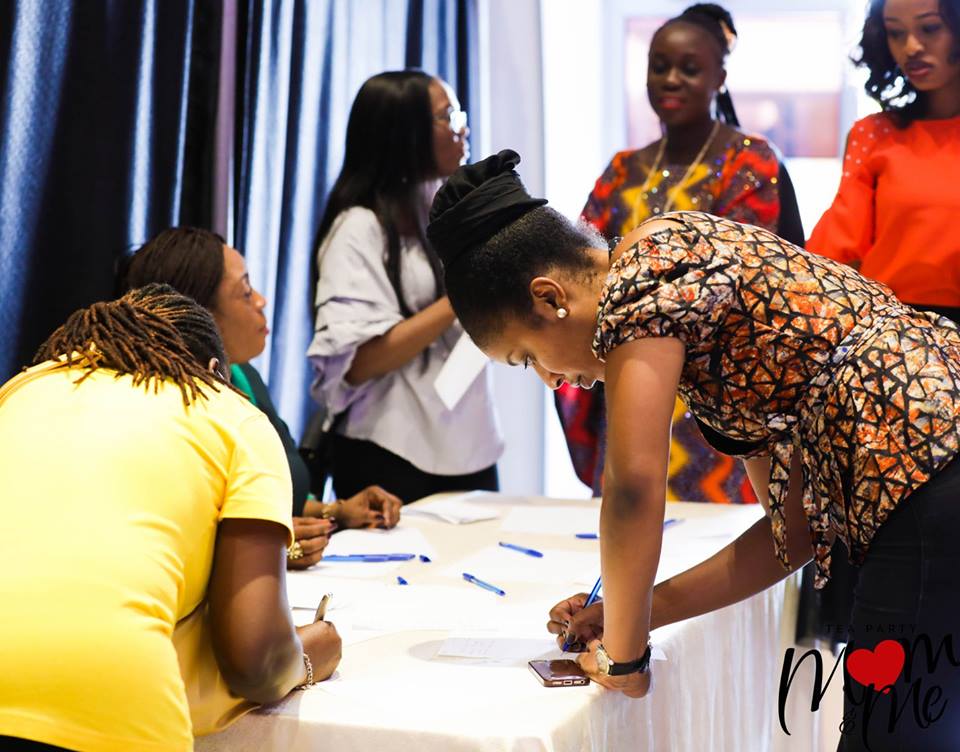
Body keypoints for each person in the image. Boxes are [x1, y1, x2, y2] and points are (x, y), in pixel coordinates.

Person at [428, 151, 960, 751]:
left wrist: (625, 659)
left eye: (528, 359)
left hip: (924, 464)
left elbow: (632, 487)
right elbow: (796, 534)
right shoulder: (694, 311)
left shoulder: (643, 275)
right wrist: (636, 611)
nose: (552, 382)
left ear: (551, 299)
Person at [0, 285, 341, 751]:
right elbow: (257, 664)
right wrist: (310, 654)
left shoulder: (20, 390)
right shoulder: (232, 416)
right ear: (215, 372)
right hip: (110, 716)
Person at [555, 2, 805, 501]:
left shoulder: (751, 163)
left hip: (721, 392)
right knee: (632, 510)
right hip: (629, 379)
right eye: (659, 66)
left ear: (720, 78)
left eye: (689, 69)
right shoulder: (621, 171)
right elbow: (581, 270)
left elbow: (765, 280)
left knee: (723, 541)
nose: (671, 79)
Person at [122, 227, 402, 570]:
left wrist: (338, 510)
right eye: (244, 292)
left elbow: (278, 501)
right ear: (200, 315)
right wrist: (262, 554)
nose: (261, 300)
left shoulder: (243, 376)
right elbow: (171, 541)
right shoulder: (170, 412)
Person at [308, 70, 502, 504]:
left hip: (467, 438)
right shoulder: (358, 228)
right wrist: (459, 295)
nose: (462, 127)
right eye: (447, 116)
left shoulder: (442, 209)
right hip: (391, 447)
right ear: (403, 132)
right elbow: (358, 363)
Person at [808, 0, 960, 324]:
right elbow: (834, 253)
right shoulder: (874, 133)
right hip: (891, 337)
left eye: (930, 28)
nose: (911, 47)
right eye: (895, 33)